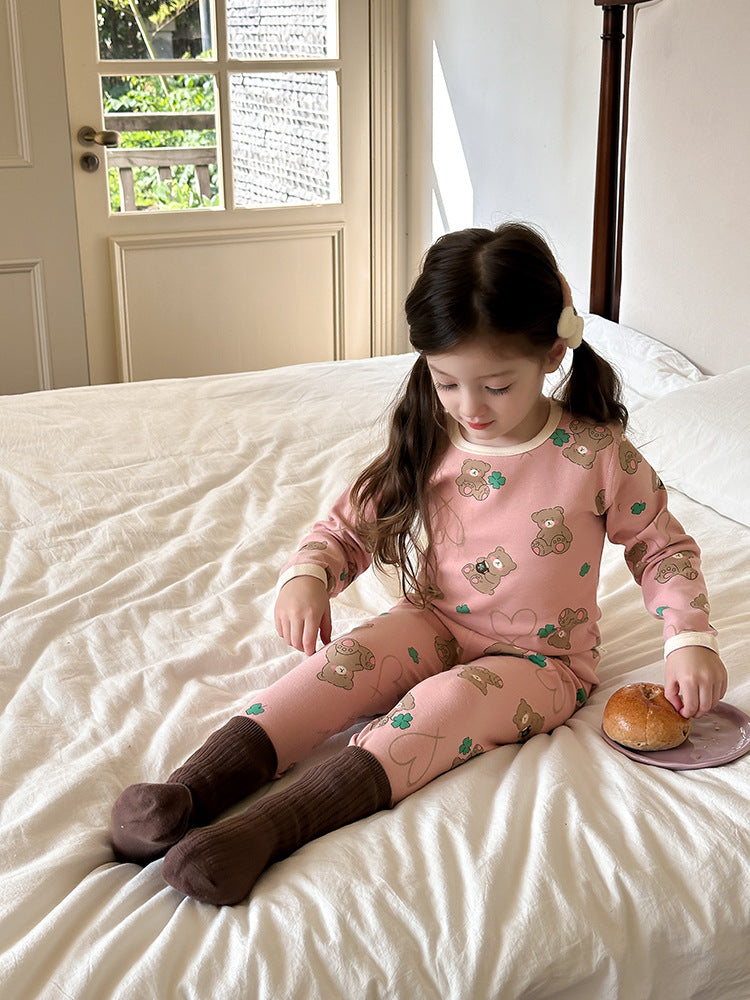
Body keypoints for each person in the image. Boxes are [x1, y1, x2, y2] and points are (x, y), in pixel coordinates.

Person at [111, 222, 727, 905]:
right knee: (334, 670)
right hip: (432, 621)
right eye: (447, 382)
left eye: (497, 386)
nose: (470, 408)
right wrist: (310, 573)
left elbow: (661, 548)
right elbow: (352, 520)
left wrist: (688, 639)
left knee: (444, 708)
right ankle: (187, 791)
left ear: (553, 353)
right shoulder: (433, 433)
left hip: (544, 663)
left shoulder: (597, 454)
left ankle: (263, 831)